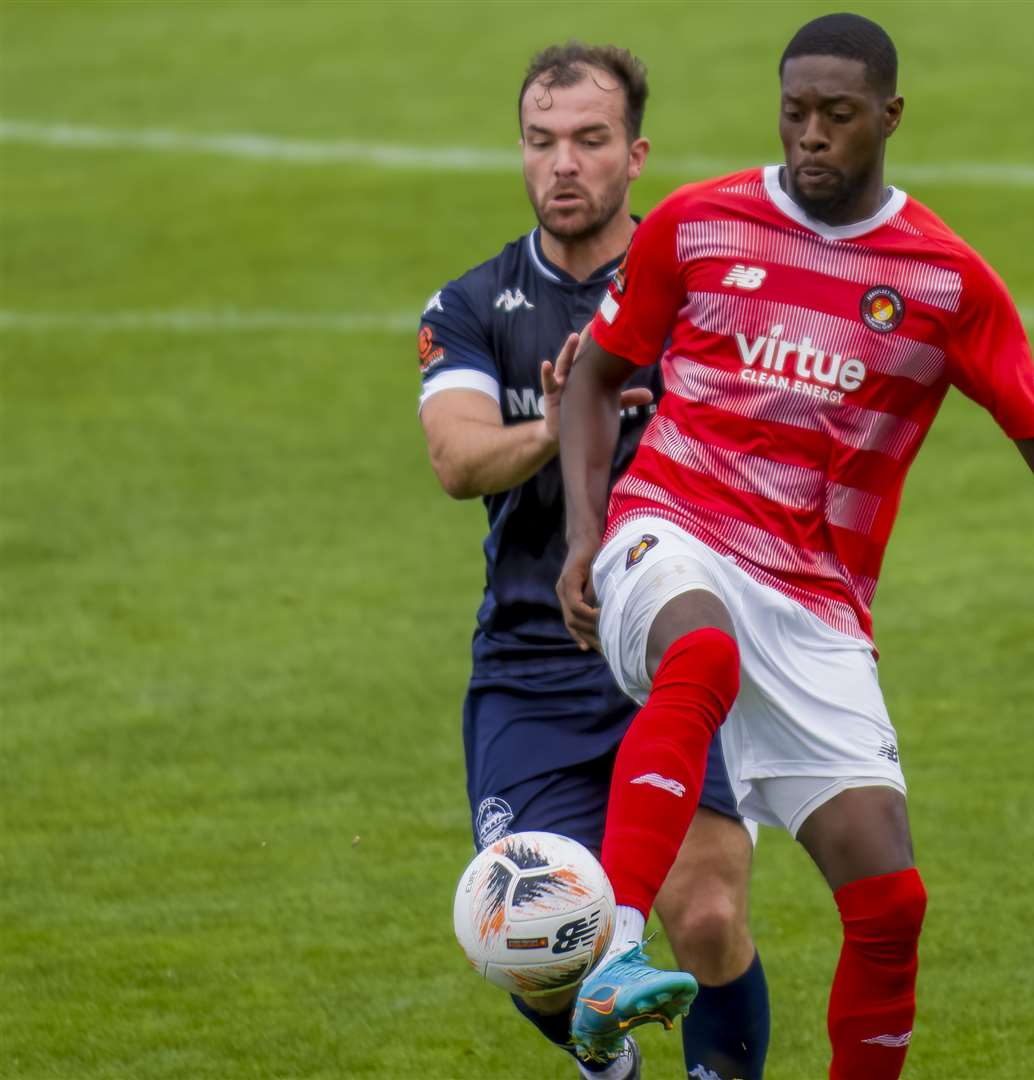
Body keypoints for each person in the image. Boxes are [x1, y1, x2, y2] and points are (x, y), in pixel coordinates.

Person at [554, 12, 1034, 1077]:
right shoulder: (696, 223)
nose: (809, 136)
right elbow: (592, 376)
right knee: (703, 653)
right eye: (793, 113)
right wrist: (585, 538)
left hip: (815, 604)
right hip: (671, 532)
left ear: (889, 119)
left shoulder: (944, 279)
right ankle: (613, 956)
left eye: (837, 116)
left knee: (889, 900)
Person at [417, 41, 771, 1080]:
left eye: (588, 140)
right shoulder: (473, 305)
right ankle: (605, 1063)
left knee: (704, 916)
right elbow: (455, 459)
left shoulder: (697, 295)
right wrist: (568, 413)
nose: (561, 163)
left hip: (669, 646)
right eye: (540, 141)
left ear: (635, 153)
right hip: (530, 663)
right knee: (522, 939)